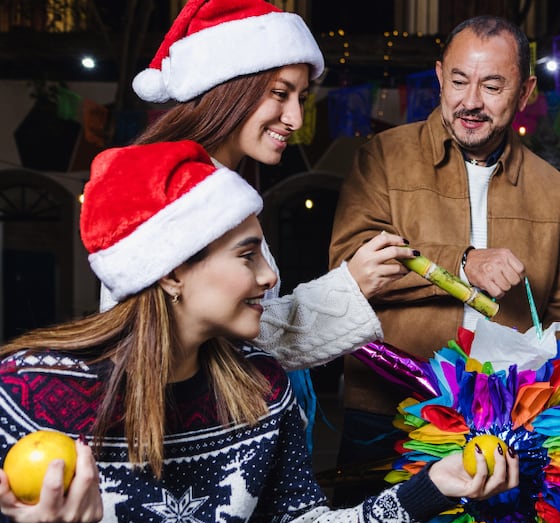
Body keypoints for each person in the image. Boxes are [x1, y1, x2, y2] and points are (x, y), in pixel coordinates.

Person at [0, 141, 518, 523]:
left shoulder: (261, 388)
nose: (270, 277)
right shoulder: (29, 391)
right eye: (248, 255)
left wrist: (432, 487)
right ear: (172, 271)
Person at [326, 15, 560, 523]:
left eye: (493, 87)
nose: (471, 102)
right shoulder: (384, 159)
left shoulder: (551, 187)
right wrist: (462, 262)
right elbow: (348, 261)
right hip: (385, 407)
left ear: (524, 94)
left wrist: (549, 407)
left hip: (503, 424)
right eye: (459, 82)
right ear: (440, 78)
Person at [130, 0, 414, 370]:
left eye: (301, 98)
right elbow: (218, 349)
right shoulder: (178, 193)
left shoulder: (220, 182)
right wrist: (349, 286)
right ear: (229, 88)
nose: (295, 118)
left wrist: (352, 284)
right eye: (280, 94)